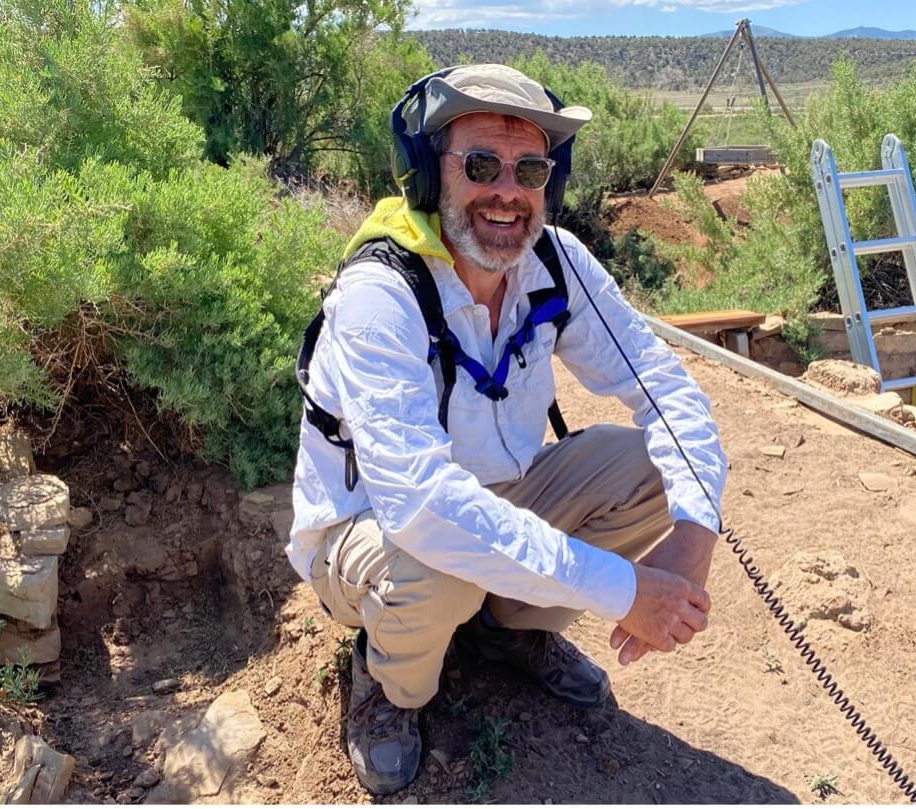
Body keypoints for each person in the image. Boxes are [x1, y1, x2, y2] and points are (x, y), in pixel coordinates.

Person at [287, 63, 727, 795]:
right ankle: (386, 685)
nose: (508, 191)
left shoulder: (555, 262)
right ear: (430, 174)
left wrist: (694, 537)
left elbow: (665, 386)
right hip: (375, 531)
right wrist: (625, 591)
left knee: (656, 465)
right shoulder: (381, 295)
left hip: (503, 497)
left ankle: (508, 626)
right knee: (435, 562)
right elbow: (422, 507)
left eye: (530, 169)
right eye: (481, 164)